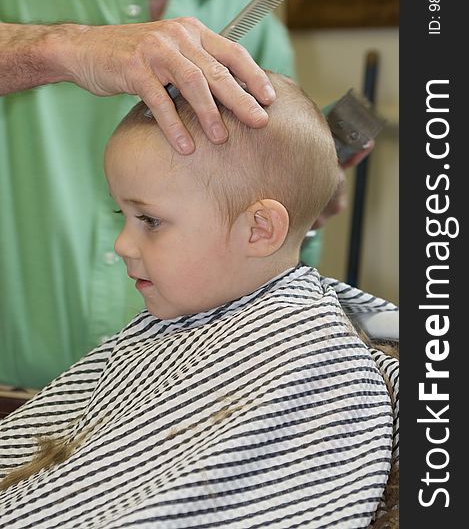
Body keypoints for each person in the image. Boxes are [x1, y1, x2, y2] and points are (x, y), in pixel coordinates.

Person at [0, 72, 399, 528]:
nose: (122, 245)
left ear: (260, 229)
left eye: (149, 220)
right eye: (122, 215)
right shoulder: (177, 326)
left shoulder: (312, 365)